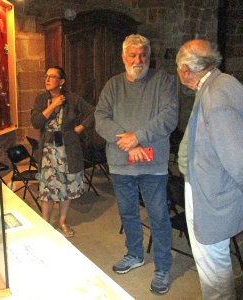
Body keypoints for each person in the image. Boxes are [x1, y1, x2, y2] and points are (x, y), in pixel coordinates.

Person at [95, 34, 179, 294]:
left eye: (143, 54)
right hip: (121, 164)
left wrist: (138, 138)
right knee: (128, 213)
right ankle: (135, 254)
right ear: (123, 57)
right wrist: (129, 142)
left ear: (149, 56)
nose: (138, 60)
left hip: (152, 164)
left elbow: (169, 116)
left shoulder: (163, 81)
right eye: (132, 55)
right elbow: (100, 118)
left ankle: (163, 266)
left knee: (158, 216)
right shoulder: (113, 85)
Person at [176, 39, 243, 299]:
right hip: (208, 187)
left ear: (185, 70)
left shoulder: (215, 95)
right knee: (213, 261)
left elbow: (237, 160)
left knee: (213, 265)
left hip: (213, 196)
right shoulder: (219, 83)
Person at [31, 66, 94, 238]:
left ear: (62, 81)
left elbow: (93, 112)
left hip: (68, 150)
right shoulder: (41, 99)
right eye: (46, 76)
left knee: (66, 187)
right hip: (47, 152)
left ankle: (62, 221)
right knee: (46, 189)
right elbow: (36, 122)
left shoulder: (72, 99)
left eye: (52, 76)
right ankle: (45, 223)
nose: (47, 79)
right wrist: (52, 106)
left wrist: (80, 128)